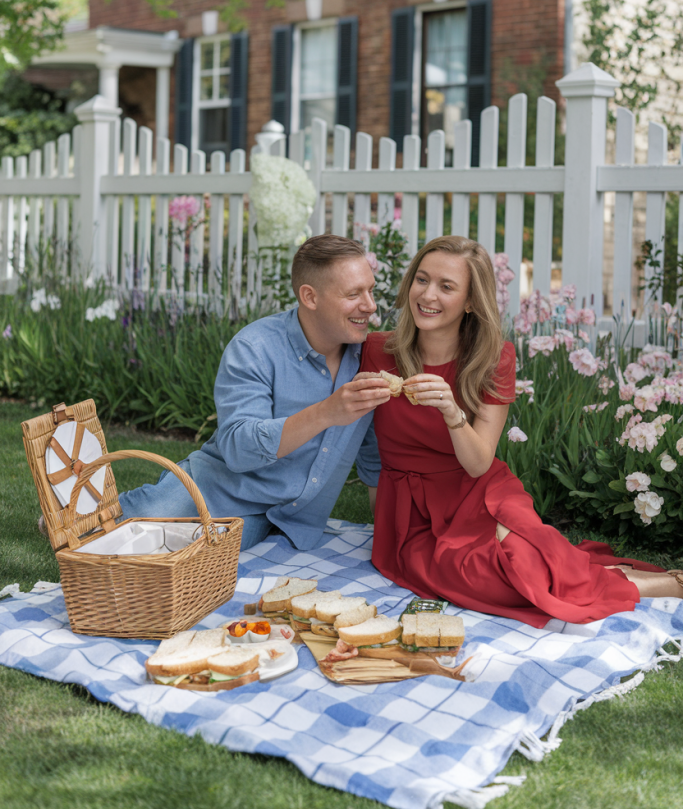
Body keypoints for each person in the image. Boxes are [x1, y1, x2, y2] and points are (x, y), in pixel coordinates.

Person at [358, 235, 683, 628]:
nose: (427, 295)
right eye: (422, 280)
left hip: (478, 490)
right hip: (412, 511)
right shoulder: (376, 351)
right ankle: (631, 583)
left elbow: (479, 464)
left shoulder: (493, 360)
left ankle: (656, 583)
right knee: (480, 579)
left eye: (446, 286)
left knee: (527, 558)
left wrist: (451, 411)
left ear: (472, 301)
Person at [116, 235, 391, 549]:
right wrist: (327, 412)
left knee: (201, 563)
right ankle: (101, 514)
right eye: (354, 294)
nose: (370, 306)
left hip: (294, 519)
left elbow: (374, 457)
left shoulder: (367, 358)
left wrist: (384, 536)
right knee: (135, 535)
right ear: (310, 297)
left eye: (371, 291)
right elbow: (237, 447)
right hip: (221, 492)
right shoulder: (255, 347)